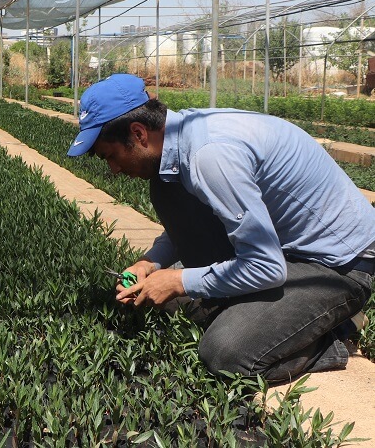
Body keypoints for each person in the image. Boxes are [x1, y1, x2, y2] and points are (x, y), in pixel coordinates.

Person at [67, 73, 374, 384]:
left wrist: (179, 280)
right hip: (280, 248)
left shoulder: (209, 155)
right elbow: (181, 228)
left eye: (112, 156)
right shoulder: (179, 139)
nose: (114, 170)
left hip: (338, 265)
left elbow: (266, 267)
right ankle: (253, 312)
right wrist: (151, 262)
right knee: (165, 204)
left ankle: (334, 334)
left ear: (138, 133)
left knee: (226, 353)